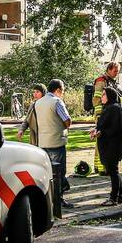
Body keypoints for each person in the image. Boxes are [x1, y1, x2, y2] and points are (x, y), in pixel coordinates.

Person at [34, 79, 75, 211]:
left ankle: (48, 199)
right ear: (58, 90)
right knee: (59, 173)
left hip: (42, 142)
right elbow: (67, 121)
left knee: (47, 173)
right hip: (56, 141)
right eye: (62, 91)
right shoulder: (57, 102)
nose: (62, 93)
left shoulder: (38, 103)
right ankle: (59, 200)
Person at [92, 86, 122, 205]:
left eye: (104, 95)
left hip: (112, 145)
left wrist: (101, 132)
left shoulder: (115, 109)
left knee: (113, 171)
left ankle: (113, 198)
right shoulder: (108, 108)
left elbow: (115, 128)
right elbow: (104, 124)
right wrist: (96, 130)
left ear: (110, 96)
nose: (102, 97)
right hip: (107, 144)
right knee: (113, 171)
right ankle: (120, 196)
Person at [90, 62, 120, 175]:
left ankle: (100, 167)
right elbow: (96, 99)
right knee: (102, 140)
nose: (116, 73)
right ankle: (102, 168)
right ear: (109, 69)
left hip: (108, 114)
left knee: (103, 141)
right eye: (115, 71)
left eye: (117, 71)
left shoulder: (110, 81)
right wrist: (100, 115)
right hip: (103, 115)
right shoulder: (101, 81)